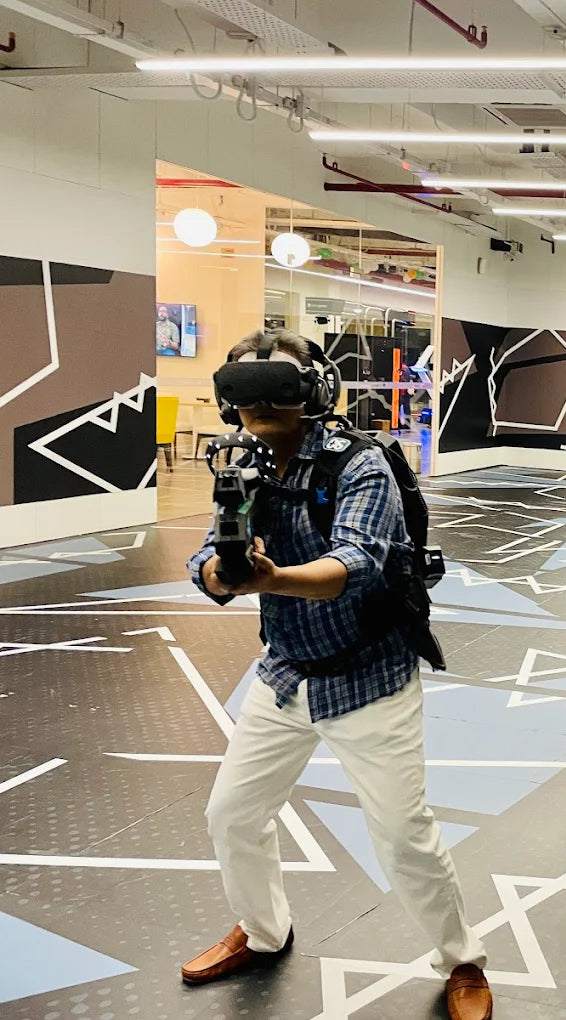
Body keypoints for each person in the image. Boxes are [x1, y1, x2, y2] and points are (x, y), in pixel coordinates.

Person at [181, 329, 492, 1020]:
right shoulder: (240, 462)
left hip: (368, 676)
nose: (261, 402)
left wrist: (272, 577)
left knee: (403, 834)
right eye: (246, 386)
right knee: (231, 813)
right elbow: (208, 555)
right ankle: (263, 932)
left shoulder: (361, 464)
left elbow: (352, 566)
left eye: (279, 385)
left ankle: (461, 957)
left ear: (316, 391)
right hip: (286, 674)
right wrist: (220, 572)